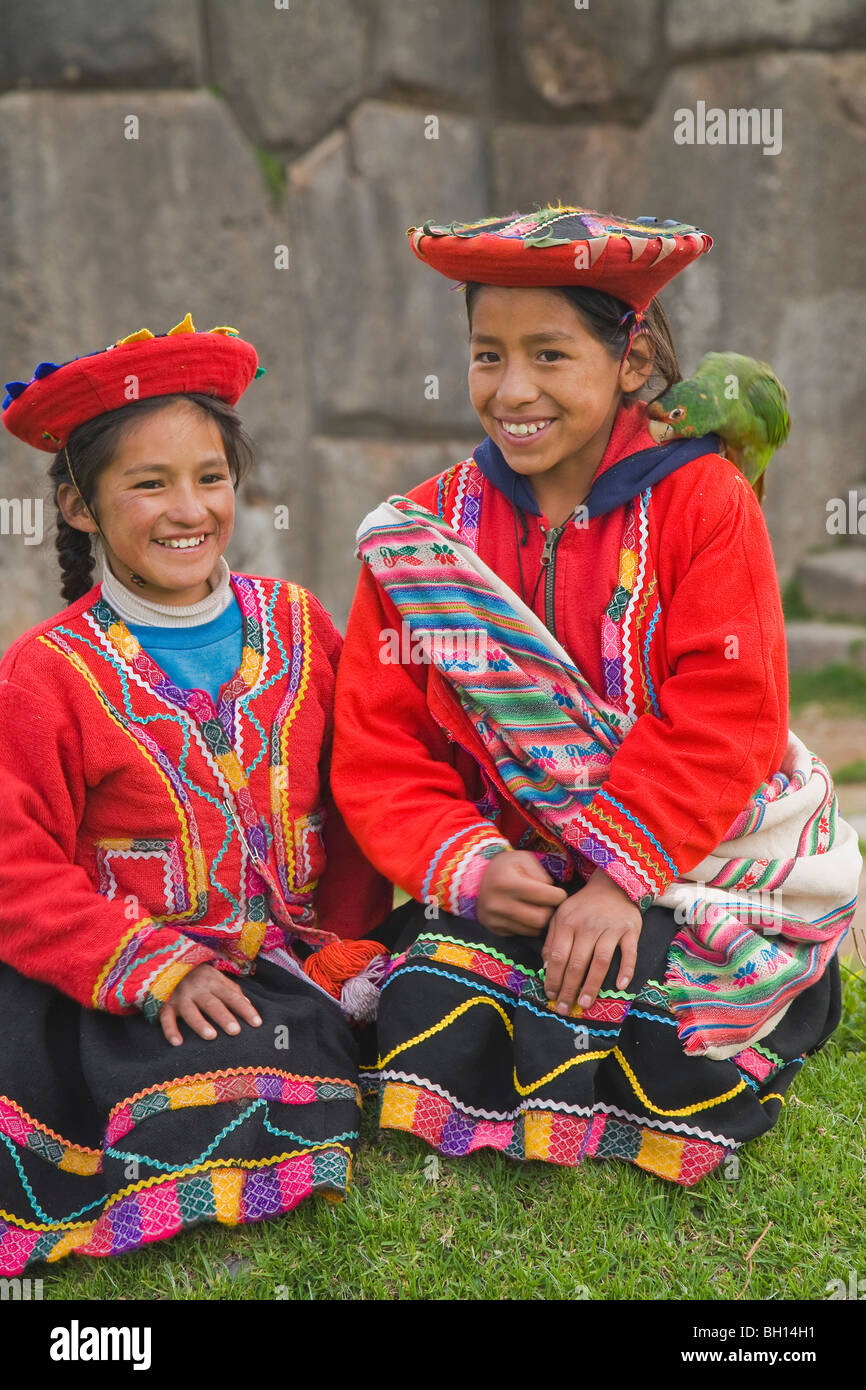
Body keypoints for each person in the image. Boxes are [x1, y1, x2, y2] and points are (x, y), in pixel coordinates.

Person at [331, 206, 859, 1185]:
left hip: (693, 853)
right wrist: (471, 866)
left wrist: (619, 877)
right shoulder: (422, 539)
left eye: (548, 355)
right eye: (487, 355)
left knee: (652, 1011)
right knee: (430, 995)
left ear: (629, 360)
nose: (512, 390)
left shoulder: (702, 503)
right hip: (516, 864)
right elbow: (380, 744)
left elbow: (726, 710)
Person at [0, 314, 392, 1274]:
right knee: (208, 1078)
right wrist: (153, 967)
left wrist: (351, 948)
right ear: (81, 508)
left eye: (210, 478)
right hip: (139, 979)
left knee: (458, 1000)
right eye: (149, 483)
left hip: (303, 960)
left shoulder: (298, 625)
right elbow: (14, 868)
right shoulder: (42, 679)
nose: (189, 509)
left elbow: (359, 801)